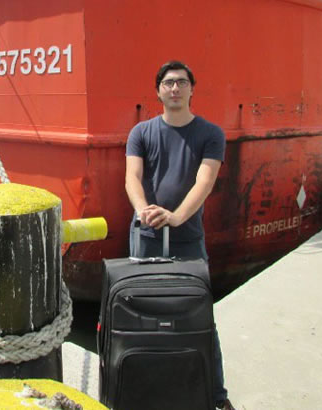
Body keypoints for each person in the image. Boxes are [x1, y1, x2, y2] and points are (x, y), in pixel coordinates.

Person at [124, 60, 235, 410]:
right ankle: (144, 391)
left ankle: (216, 397)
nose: (175, 88)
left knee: (200, 317)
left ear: (191, 89)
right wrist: (144, 210)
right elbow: (132, 177)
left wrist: (176, 217)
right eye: (168, 83)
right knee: (142, 315)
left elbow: (205, 181)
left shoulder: (211, 134)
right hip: (145, 237)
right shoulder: (141, 133)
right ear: (158, 91)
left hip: (188, 239)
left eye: (182, 82)